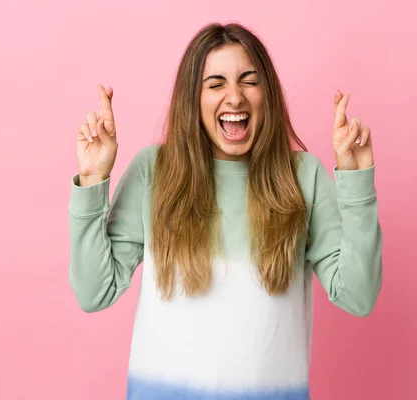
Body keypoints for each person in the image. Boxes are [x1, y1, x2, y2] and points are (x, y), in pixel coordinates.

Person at [68, 22, 382, 400]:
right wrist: (91, 179)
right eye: (215, 84)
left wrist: (357, 181)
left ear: (268, 93)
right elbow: (94, 292)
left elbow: (358, 296)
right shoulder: (154, 171)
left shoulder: (303, 176)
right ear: (193, 99)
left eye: (249, 81)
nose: (234, 98)